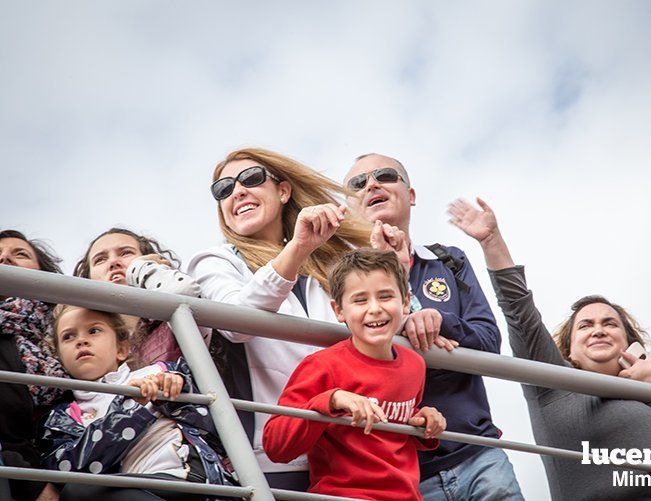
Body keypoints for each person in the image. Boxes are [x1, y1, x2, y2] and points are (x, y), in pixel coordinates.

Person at [449, 197, 651, 500]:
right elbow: (520, 312)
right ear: (568, 351)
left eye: (610, 324)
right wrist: (493, 242)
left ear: (629, 341)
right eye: (586, 326)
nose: (598, 329)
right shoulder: (555, 388)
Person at [187, 147, 373, 490]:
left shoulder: (331, 262)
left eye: (251, 179)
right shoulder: (213, 261)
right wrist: (298, 248)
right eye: (223, 190)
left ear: (283, 190)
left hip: (350, 452)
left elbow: (375, 326)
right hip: (274, 459)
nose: (238, 191)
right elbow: (236, 323)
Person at [344, 154, 523, 500]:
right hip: (402, 472)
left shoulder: (448, 260)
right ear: (349, 205)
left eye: (384, 175)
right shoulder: (341, 280)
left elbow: (489, 341)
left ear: (410, 195)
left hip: (480, 454)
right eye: (358, 183)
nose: (371, 184)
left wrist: (443, 321)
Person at [263, 248, 446, 500]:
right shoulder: (322, 366)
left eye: (385, 296)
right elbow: (276, 446)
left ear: (405, 302)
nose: (374, 309)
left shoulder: (415, 364)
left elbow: (393, 420)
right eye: (360, 300)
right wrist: (332, 400)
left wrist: (423, 421)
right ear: (339, 311)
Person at [42, 305, 234, 500]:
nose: (81, 341)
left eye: (94, 331)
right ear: (59, 358)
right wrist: (131, 408)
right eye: (68, 337)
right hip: (133, 488)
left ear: (122, 349)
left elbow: (218, 432)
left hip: (189, 479)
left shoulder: (161, 372)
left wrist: (174, 392)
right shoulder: (63, 416)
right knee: (75, 492)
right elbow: (64, 471)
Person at [73, 228, 207, 366]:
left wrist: (139, 268)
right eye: (100, 260)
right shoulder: (85, 340)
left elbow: (184, 293)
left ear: (149, 260)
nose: (113, 262)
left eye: (126, 253)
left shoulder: (166, 321)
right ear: (88, 277)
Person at [0, 230, 66, 501]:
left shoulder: (67, 332)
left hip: (66, 477)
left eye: (20, 254)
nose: (4, 258)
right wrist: (27, 479)